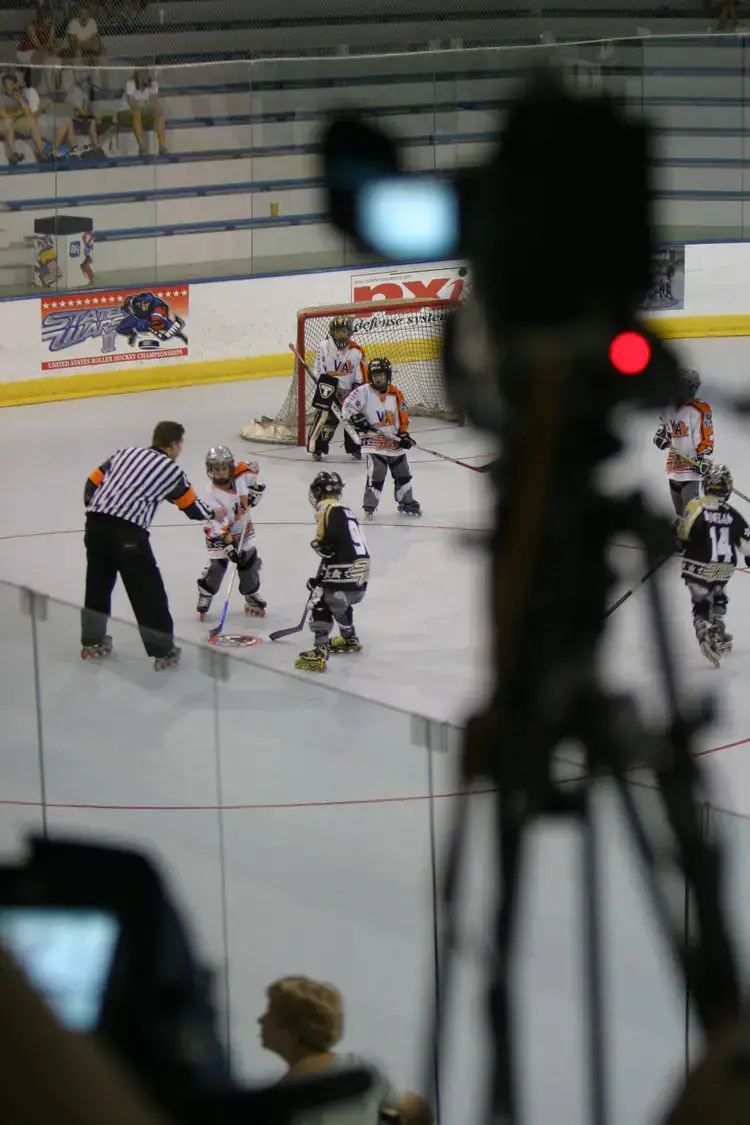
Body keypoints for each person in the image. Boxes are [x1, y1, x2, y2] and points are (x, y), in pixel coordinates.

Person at [81, 421, 225, 670]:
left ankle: (92, 642)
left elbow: (92, 482)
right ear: (174, 445)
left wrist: (99, 512)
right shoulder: (170, 471)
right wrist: (215, 513)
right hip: (128, 534)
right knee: (148, 592)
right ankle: (163, 650)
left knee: (98, 583)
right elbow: (191, 507)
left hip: (95, 525)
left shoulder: (125, 453)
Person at [258, 975, 433, 1125]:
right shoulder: (363, 1073)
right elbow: (413, 1111)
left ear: (293, 1028)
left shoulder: (277, 1104)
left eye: (270, 1012)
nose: (261, 1020)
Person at [295, 471, 370, 672]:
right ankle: (349, 637)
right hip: (361, 577)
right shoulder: (347, 511)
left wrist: (321, 580)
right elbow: (342, 547)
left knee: (320, 601)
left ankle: (320, 650)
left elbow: (325, 547)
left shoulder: (324, 508)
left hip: (343, 575)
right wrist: (322, 577)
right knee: (339, 601)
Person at [677, 463, 750, 668]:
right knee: (718, 591)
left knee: (700, 598)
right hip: (724, 567)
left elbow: (685, 532)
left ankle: (702, 626)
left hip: (696, 564)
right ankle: (717, 626)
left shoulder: (696, 505)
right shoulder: (733, 514)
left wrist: (678, 540)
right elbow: (747, 546)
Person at [342, 356, 421, 518]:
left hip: (393, 441)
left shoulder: (396, 394)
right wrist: (355, 417)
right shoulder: (363, 392)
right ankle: (370, 505)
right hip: (373, 440)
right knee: (378, 471)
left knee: (403, 471)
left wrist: (404, 434)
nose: (378, 378)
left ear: (388, 375)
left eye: (381, 375)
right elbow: (347, 405)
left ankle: (406, 501)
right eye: (375, 375)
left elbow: (403, 416)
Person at [197, 445, 267, 621]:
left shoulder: (242, 473)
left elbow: (255, 471)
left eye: (223, 468)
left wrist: (256, 492)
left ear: (230, 466)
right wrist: (228, 544)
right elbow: (219, 521)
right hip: (219, 532)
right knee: (218, 566)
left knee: (249, 560)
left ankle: (251, 594)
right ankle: (206, 592)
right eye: (216, 469)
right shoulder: (211, 493)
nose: (220, 472)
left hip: (243, 527)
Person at [653, 367, 713, 517]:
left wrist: (704, 459)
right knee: (680, 515)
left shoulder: (700, 409)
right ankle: (681, 540)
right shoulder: (668, 408)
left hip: (692, 470)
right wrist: (660, 438)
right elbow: (663, 432)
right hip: (673, 469)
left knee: (690, 516)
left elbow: (707, 436)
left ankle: (695, 539)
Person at [307, 315, 367, 462]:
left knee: (352, 420)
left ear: (350, 332)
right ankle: (318, 448)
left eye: (344, 331)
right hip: (328, 390)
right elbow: (319, 369)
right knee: (326, 420)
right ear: (332, 332)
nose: (341, 334)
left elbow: (360, 377)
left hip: (349, 393)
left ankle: (355, 448)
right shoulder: (324, 346)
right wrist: (326, 387)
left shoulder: (356, 351)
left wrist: (354, 393)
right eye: (338, 331)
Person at [0, 72, 47, 164]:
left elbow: (29, 115)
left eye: (11, 84)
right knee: (8, 121)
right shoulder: (1, 96)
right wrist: (18, 114)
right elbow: (4, 115)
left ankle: (42, 153)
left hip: (13, 122)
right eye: (6, 84)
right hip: (3, 123)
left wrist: (21, 101)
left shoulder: (21, 95)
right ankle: (12, 154)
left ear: (16, 85)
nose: (8, 87)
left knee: (31, 122)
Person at [118, 69, 167, 157]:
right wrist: (147, 108)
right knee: (136, 112)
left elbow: (154, 103)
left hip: (142, 112)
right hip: (125, 112)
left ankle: (162, 147)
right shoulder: (130, 83)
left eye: (146, 73)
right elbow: (132, 105)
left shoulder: (153, 84)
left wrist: (153, 108)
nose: (144, 77)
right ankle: (142, 147)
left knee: (159, 111)